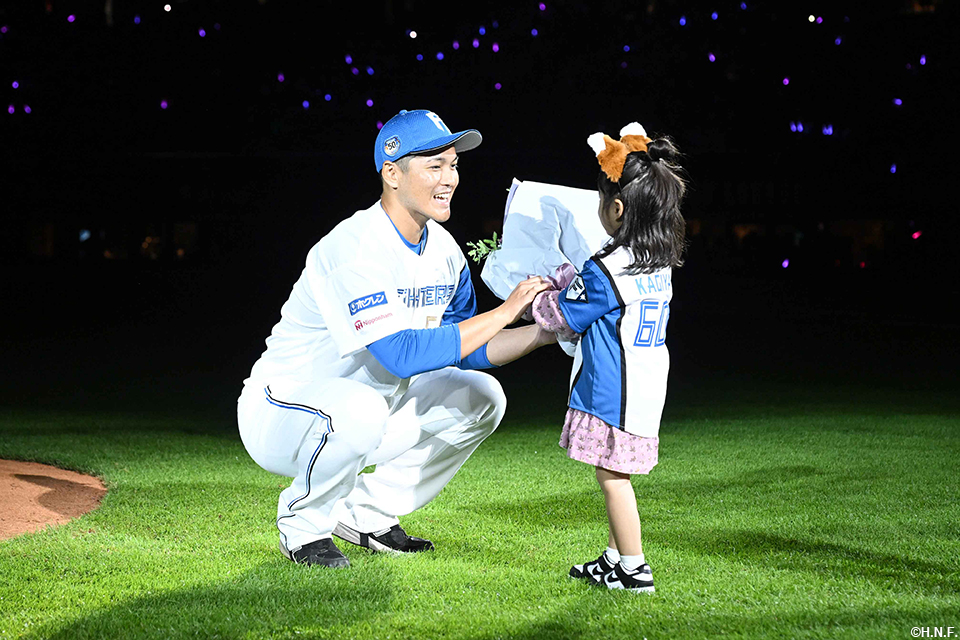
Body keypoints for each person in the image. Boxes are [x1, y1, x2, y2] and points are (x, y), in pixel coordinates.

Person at [236, 109, 555, 568]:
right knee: (361, 408)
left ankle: (367, 514)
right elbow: (401, 355)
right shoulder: (355, 246)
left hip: (363, 412)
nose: (450, 178)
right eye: (434, 165)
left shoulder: (445, 250)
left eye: (454, 164)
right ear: (392, 173)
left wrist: (544, 331)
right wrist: (505, 311)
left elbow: (468, 350)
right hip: (281, 410)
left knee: (484, 396)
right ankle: (303, 528)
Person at [530, 123, 687, 592]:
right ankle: (617, 556)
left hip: (615, 388)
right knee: (614, 472)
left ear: (616, 208)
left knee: (612, 476)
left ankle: (634, 569)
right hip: (645, 382)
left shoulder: (608, 267)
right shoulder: (655, 257)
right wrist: (571, 277)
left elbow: (563, 315)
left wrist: (532, 293)